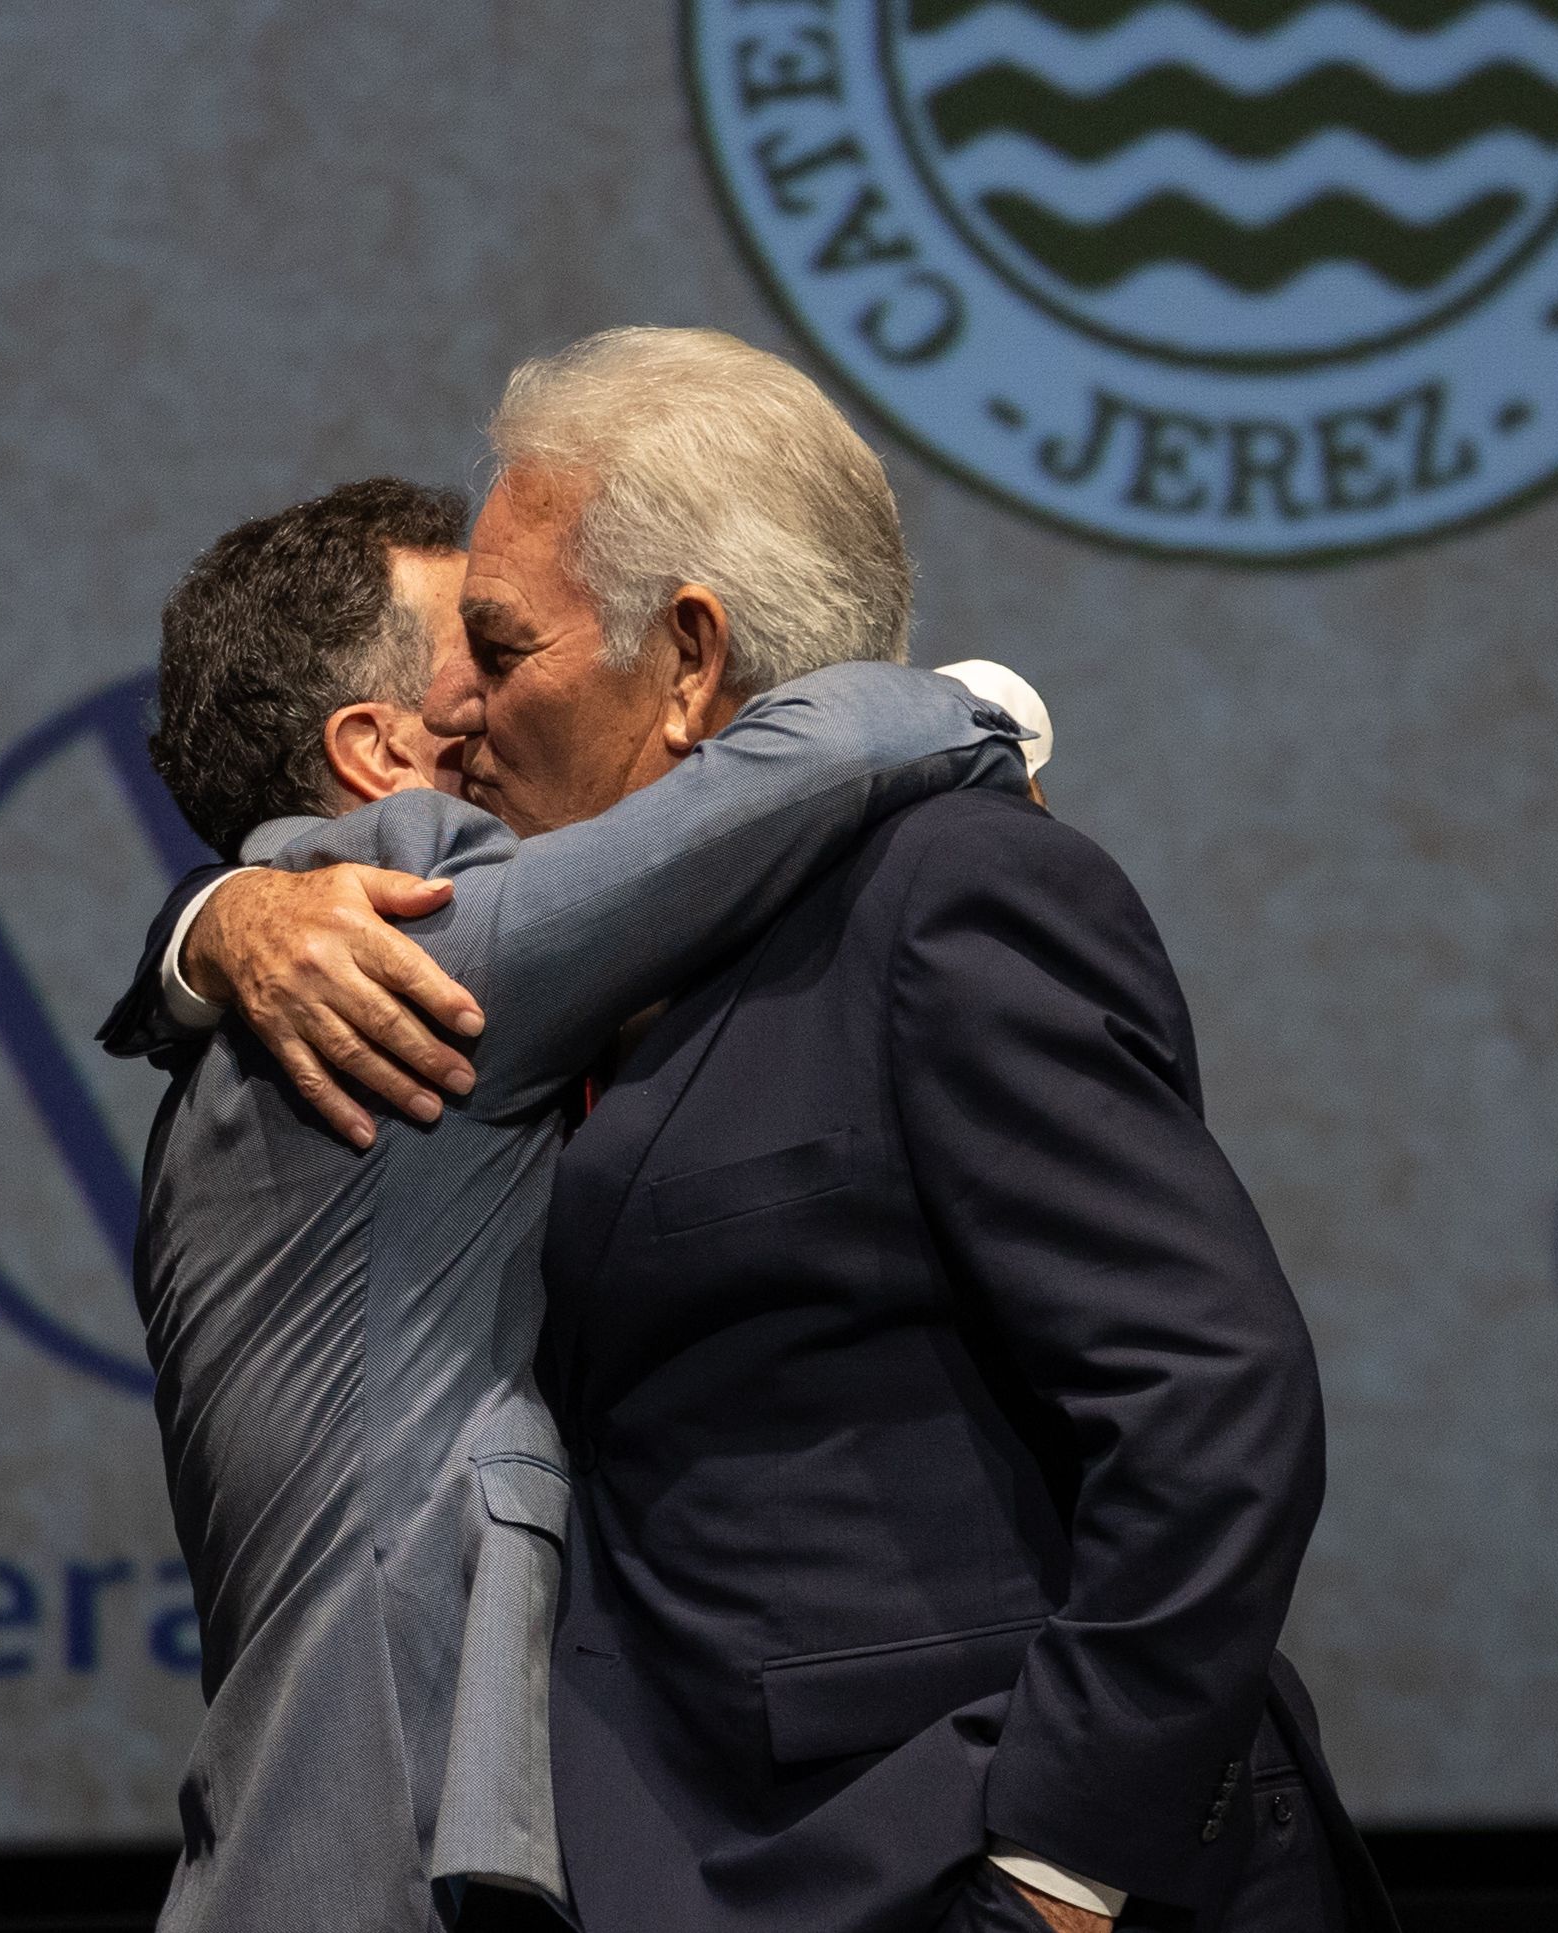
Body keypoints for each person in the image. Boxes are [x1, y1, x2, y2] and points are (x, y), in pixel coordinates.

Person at [173, 328, 1396, 1933]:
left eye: (502, 644)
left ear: (689, 660)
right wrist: (222, 916)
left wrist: (1056, 1865)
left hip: (971, 1851)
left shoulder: (948, 890)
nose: (460, 718)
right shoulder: (537, 961)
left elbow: (1210, 1395)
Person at [99, 477, 1029, 1933]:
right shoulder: (404, 936)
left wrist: (201, 929)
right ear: (378, 749)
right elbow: (813, 759)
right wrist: (979, 708)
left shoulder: (290, 984)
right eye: (484, 644)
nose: (525, 682)